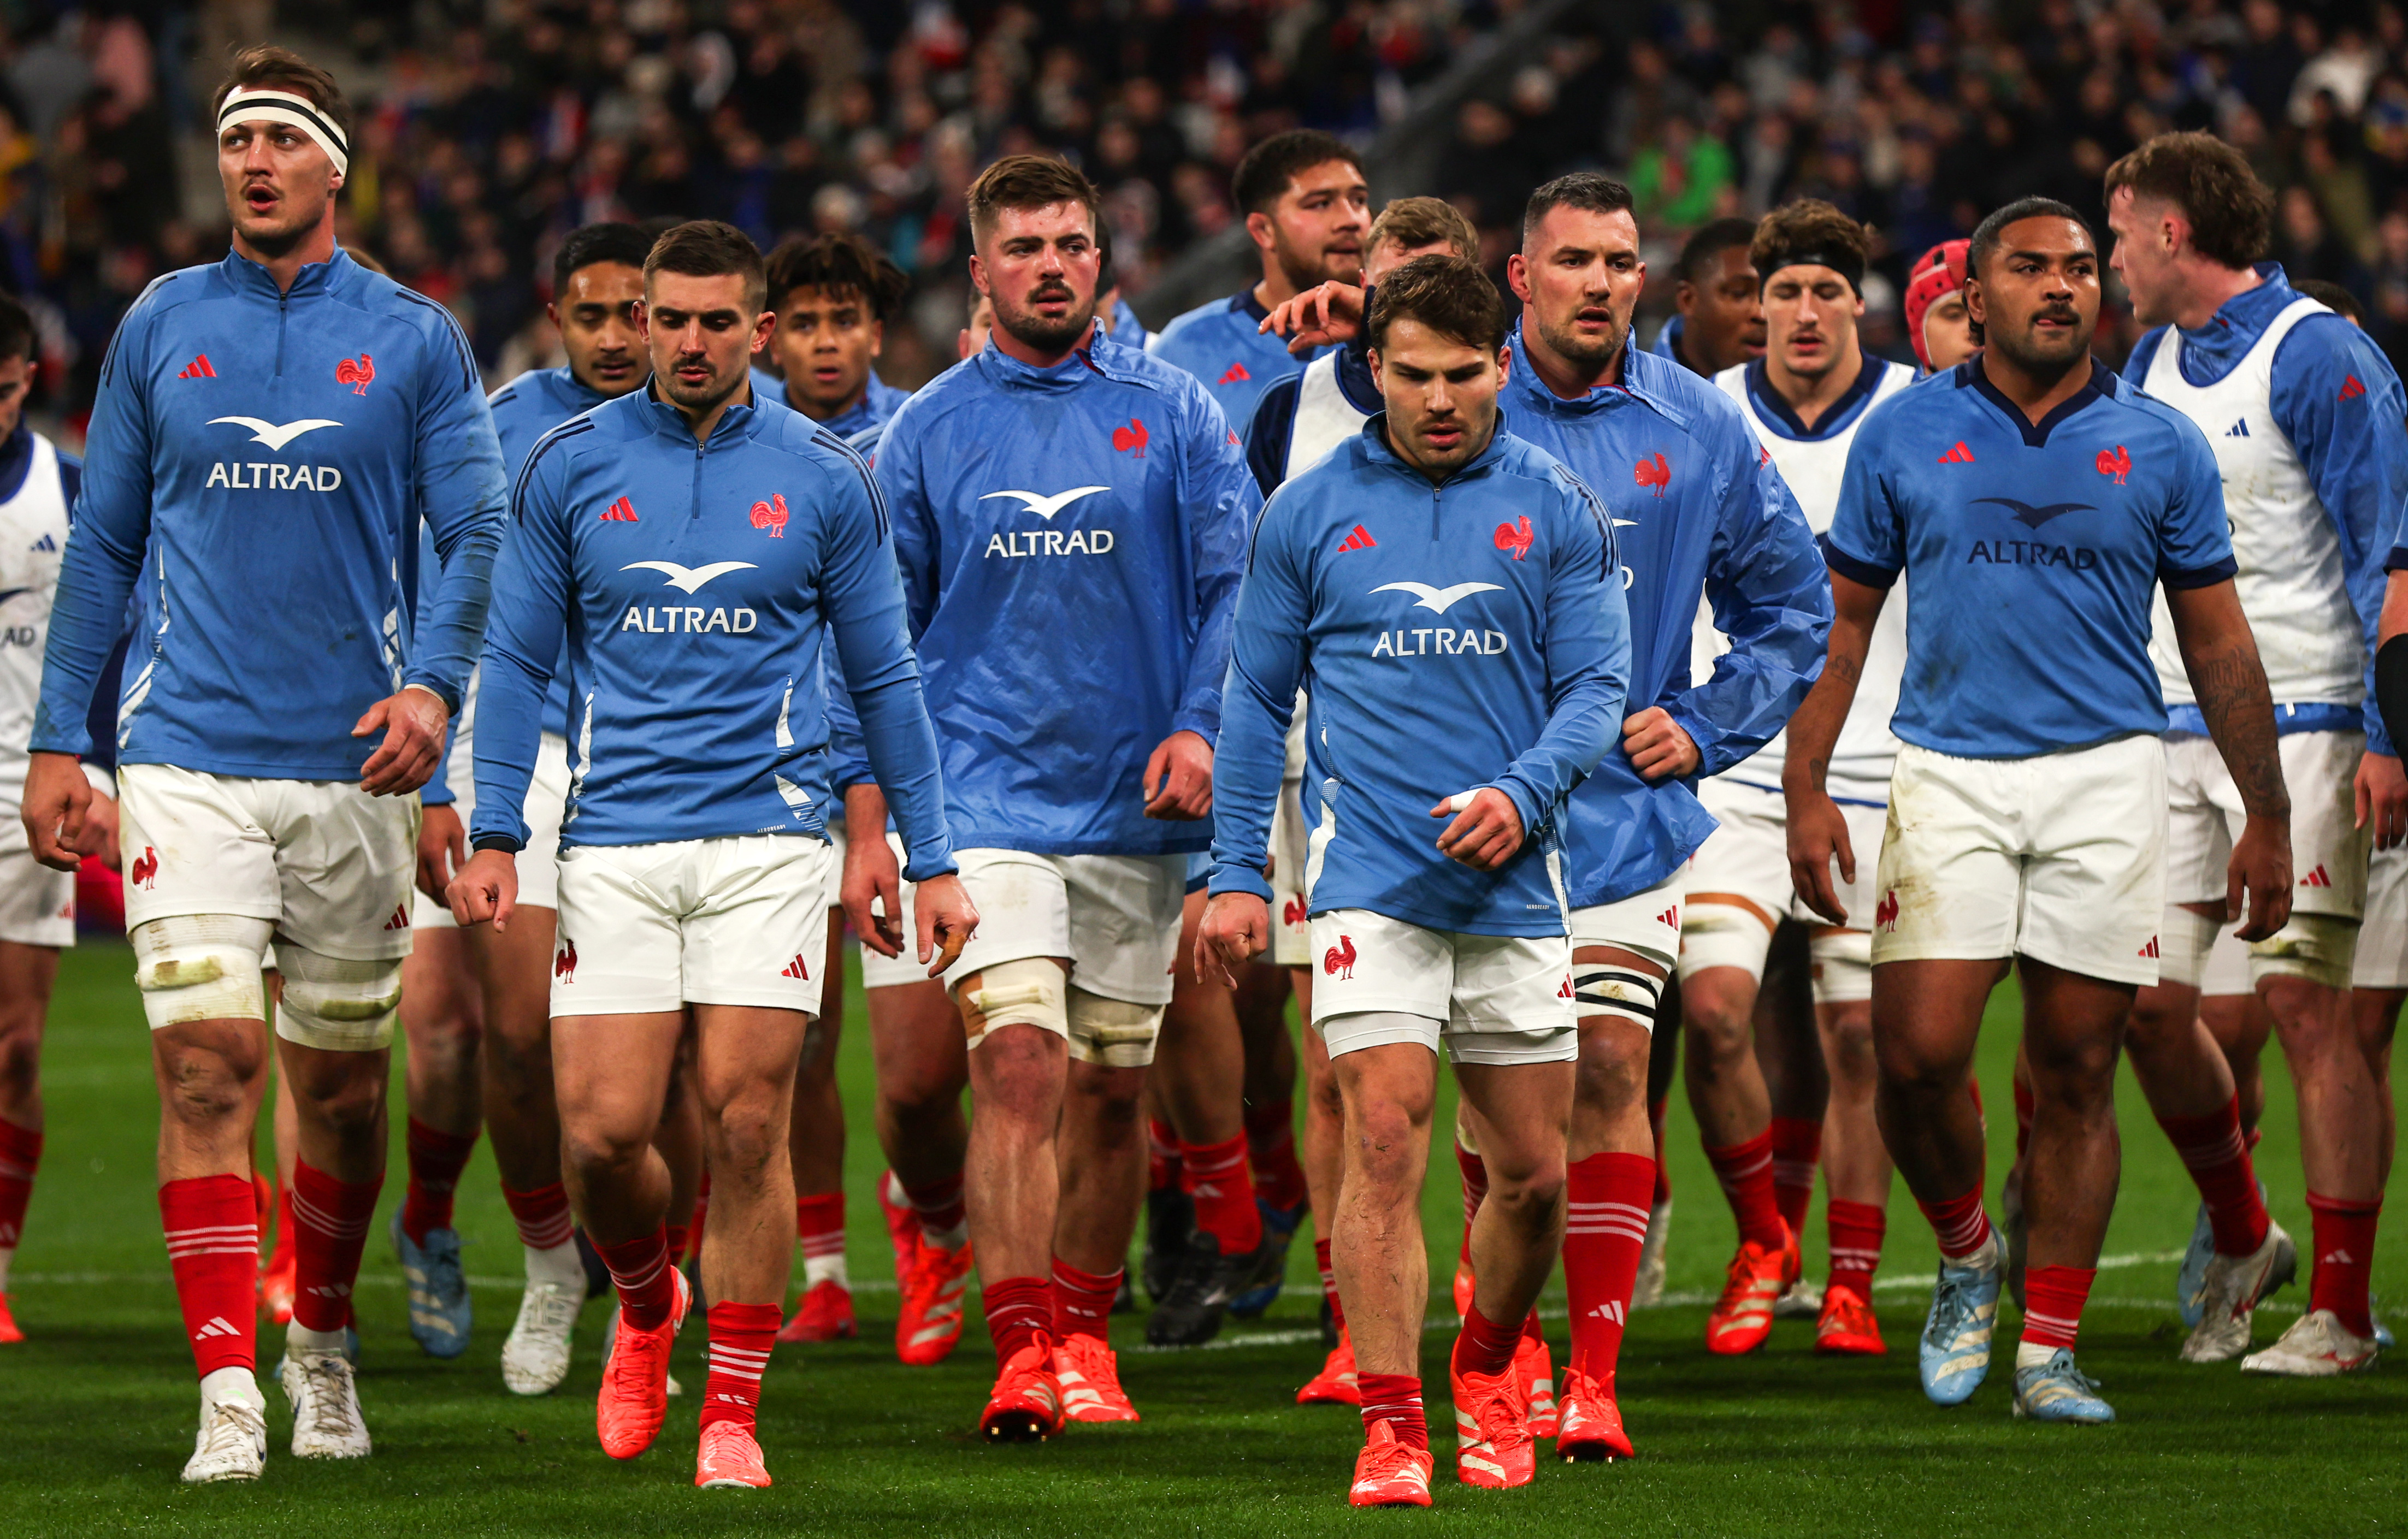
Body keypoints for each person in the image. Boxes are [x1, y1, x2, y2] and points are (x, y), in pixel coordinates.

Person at [20, 46, 505, 1480]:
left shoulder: (417, 339)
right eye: (238, 142)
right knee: (212, 1070)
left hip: (354, 765)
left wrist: (435, 693)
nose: (255, 163)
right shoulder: (162, 323)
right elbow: (104, 548)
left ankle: (323, 1342)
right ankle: (229, 1388)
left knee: (345, 1094)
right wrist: (62, 738)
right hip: (189, 758)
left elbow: (477, 536)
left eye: (284, 140)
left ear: (336, 166)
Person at [445, 219, 975, 1489]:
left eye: (709, 321)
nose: (681, 342)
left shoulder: (826, 475)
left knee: (746, 1122)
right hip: (616, 837)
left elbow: (883, 672)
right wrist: (501, 826)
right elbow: (513, 660)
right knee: (601, 1138)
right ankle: (642, 1300)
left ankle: (731, 1411)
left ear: (760, 331)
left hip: (768, 839)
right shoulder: (568, 466)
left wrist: (925, 849)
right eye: (662, 319)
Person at [1788, 196, 2291, 1425]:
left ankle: (2047, 1350)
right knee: (1914, 1058)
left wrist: (2263, 810)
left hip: (2106, 775)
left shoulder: (2158, 442)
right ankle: (1968, 1255)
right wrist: (1803, 784)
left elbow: (2216, 640)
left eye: (2077, 267)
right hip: (1946, 770)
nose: (2060, 286)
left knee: (2075, 1064)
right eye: (2029, 268)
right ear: (1981, 289)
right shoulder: (1904, 434)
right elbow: (1840, 626)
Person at [1200, 253, 1630, 1504]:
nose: (1438, 399)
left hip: (1512, 891)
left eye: (1461, 373)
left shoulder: (1552, 505)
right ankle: (1391, 1427)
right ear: (1371, 368)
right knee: (1379, 1137)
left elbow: (1594, 688)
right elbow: (1251, 701)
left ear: (1500, 366)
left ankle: (1487, 1367)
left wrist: (1520, 792)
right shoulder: (1307, 510)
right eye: (1411, 375)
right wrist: (1235, 871)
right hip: (1366, 883)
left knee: (1532, 1179)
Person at [861, 155, 1252, 1438]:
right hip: (984, 802)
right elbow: (876, 634)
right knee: (1019, 1066)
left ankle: (1085, 1334)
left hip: (1137, 807)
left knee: (1110, 1092)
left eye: (1070, 244)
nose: (1049, 264)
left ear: (1102, 260)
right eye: (1022, 246)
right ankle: (1022, 1347)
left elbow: (1234, 592)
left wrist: (1199, 727)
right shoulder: (924, 429)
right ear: (978, 273)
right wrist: (887, 818)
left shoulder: (1179, 412)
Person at [2101, 133, 2404, 1375]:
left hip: (2318, 721)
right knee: (2142, 1006)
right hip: (2169, 726)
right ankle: (2246, 1231)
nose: (2108, 259)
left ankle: (2339, 1311)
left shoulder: (2318, 354)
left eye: (2116, 233)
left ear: (2169, 233)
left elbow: (2392, 550)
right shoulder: (2145, 363)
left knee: (2306, 1009)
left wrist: (2389, 736)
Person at [429, 220, 697, 1396]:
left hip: (667, 753)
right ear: (556, 319)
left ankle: (657, 1288)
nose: (610, 336)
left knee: (673, 1060)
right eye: (587, 315)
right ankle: (550, 1266)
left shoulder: (716, 421)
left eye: (631, 313)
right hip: (528, 748)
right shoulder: (502, 429)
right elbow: (442, 583)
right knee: (518, 1032)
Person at [1240, 193, 1483, 1404]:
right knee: (1342, 1066)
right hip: (1322, 773)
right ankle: (1357, 1324)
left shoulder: (1507, 404)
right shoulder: (1292, 407)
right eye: (1395, 273)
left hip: (1498, 780)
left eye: (1441, 277)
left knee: (1496, 1076)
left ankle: (1495, 1318)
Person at [1681, 202, 1917, 1359]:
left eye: (1827, 291)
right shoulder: (1704, 413)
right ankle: (1763, 1238)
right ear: (1752, 304)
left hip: (1877, 771)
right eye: (1783, 292)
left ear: (1857, 304)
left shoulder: (1918, 411)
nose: (1806, 312)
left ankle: (1853, 1281)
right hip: (1731, 770)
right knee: (1717, 1011)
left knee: (1858, 1035)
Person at [758, 229, 917, 1344]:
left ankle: (922, 1210)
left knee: (919, 1058)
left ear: (874, 328)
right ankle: (821, 1265)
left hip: (909, 780)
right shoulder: (743, 441)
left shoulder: (921, 433)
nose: (825, 341)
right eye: (803, 321)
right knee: (799, 1035)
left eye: (841, 320)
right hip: (777, 777)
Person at [0, 288, 106, 1346]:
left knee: (14, 1051)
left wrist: (97, 766)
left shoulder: (68, 496)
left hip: (18, 790)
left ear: (26, 379)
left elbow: (116, 644)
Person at [1148, 130, 1367, 430]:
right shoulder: (1186, 349)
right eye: (1321, 203)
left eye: (1359, 200)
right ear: (1263, 230)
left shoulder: (1398, 328)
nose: (1352, 220)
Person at [1648, 217, 1766, 377]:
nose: (1762, 313)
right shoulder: (1633, 396)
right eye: (1739, 293)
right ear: (1688, 300)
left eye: (1776, 294)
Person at [1903, 240, 1978, 374]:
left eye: (1992, 314)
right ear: (1920, 334)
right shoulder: (1889, 393)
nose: (1977, 330)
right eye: (1954, 315)